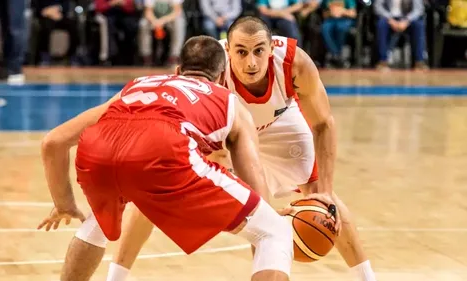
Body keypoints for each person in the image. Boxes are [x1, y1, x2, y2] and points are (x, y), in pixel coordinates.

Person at [96, 16, 377, 281]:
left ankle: (367, 277)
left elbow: (324, 123)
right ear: (228, 50)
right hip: (226, 132)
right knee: (156, 190)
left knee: (322, 200)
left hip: (279, 124)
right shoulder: (209, 67)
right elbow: (184, 124)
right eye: (241, 52)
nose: (251, 62)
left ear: (270, 50)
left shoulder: (295, 63)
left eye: (258, 51)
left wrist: (325, 189)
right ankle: (116, 277)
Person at [37, 35, 298, 281]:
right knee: (274, 232)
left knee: (97, 222)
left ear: (177, 70)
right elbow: (253, 174)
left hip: (97, 152)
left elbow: (53, 142)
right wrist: (267, 213)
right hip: (164, 152)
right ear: (220, 76)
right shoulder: (229, 100)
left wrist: (64, 203)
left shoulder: (138, 84)